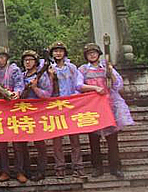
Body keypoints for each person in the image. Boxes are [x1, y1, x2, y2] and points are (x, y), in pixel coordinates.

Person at [79, 42, 134, 178]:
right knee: (94, 140)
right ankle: (97, 167)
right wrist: (95, 88)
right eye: (89, 53)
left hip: (109, 106)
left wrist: (111, 73)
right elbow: (78, 85)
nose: (92, 55)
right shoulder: (83, 70)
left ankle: (115, 167)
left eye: (94, 52)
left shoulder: (107, 67)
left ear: (98, 54)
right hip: (92, 107)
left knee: (112, 139)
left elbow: (118, 85)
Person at [48, 41, 86, 178]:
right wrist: (51, 77)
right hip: (55, 107)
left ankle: (78, 166)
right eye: (55, 51)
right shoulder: (48, 68)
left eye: (60, 51)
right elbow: (47, 89)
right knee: (57, 141)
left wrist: (74, 99)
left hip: (70, 106)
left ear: (64, 53)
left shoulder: (71, 68)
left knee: (74, 139)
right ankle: (60, 167)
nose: (58, 53)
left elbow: (77, 84)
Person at [15, 51, 52, 182]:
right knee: (20, 143)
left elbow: (47, 94)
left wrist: (35, 88)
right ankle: (25, 170)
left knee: (39, 143)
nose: (27, 62)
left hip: (37, 113)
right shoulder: (21, 76)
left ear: (35, 62)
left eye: (30, 60)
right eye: (25, 60)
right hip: (22, 112)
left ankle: (41, 170)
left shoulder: (42, 76)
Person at [0, 47, 24, 182]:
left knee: (17, 143)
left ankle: (19, 171)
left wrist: (16, 92)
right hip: (0, 110)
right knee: (2, 143)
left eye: (2, 57)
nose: (0, 60)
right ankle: (5, 171)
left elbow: (19, 84)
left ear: (6, 58)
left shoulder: (14, 69)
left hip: (14, 108)